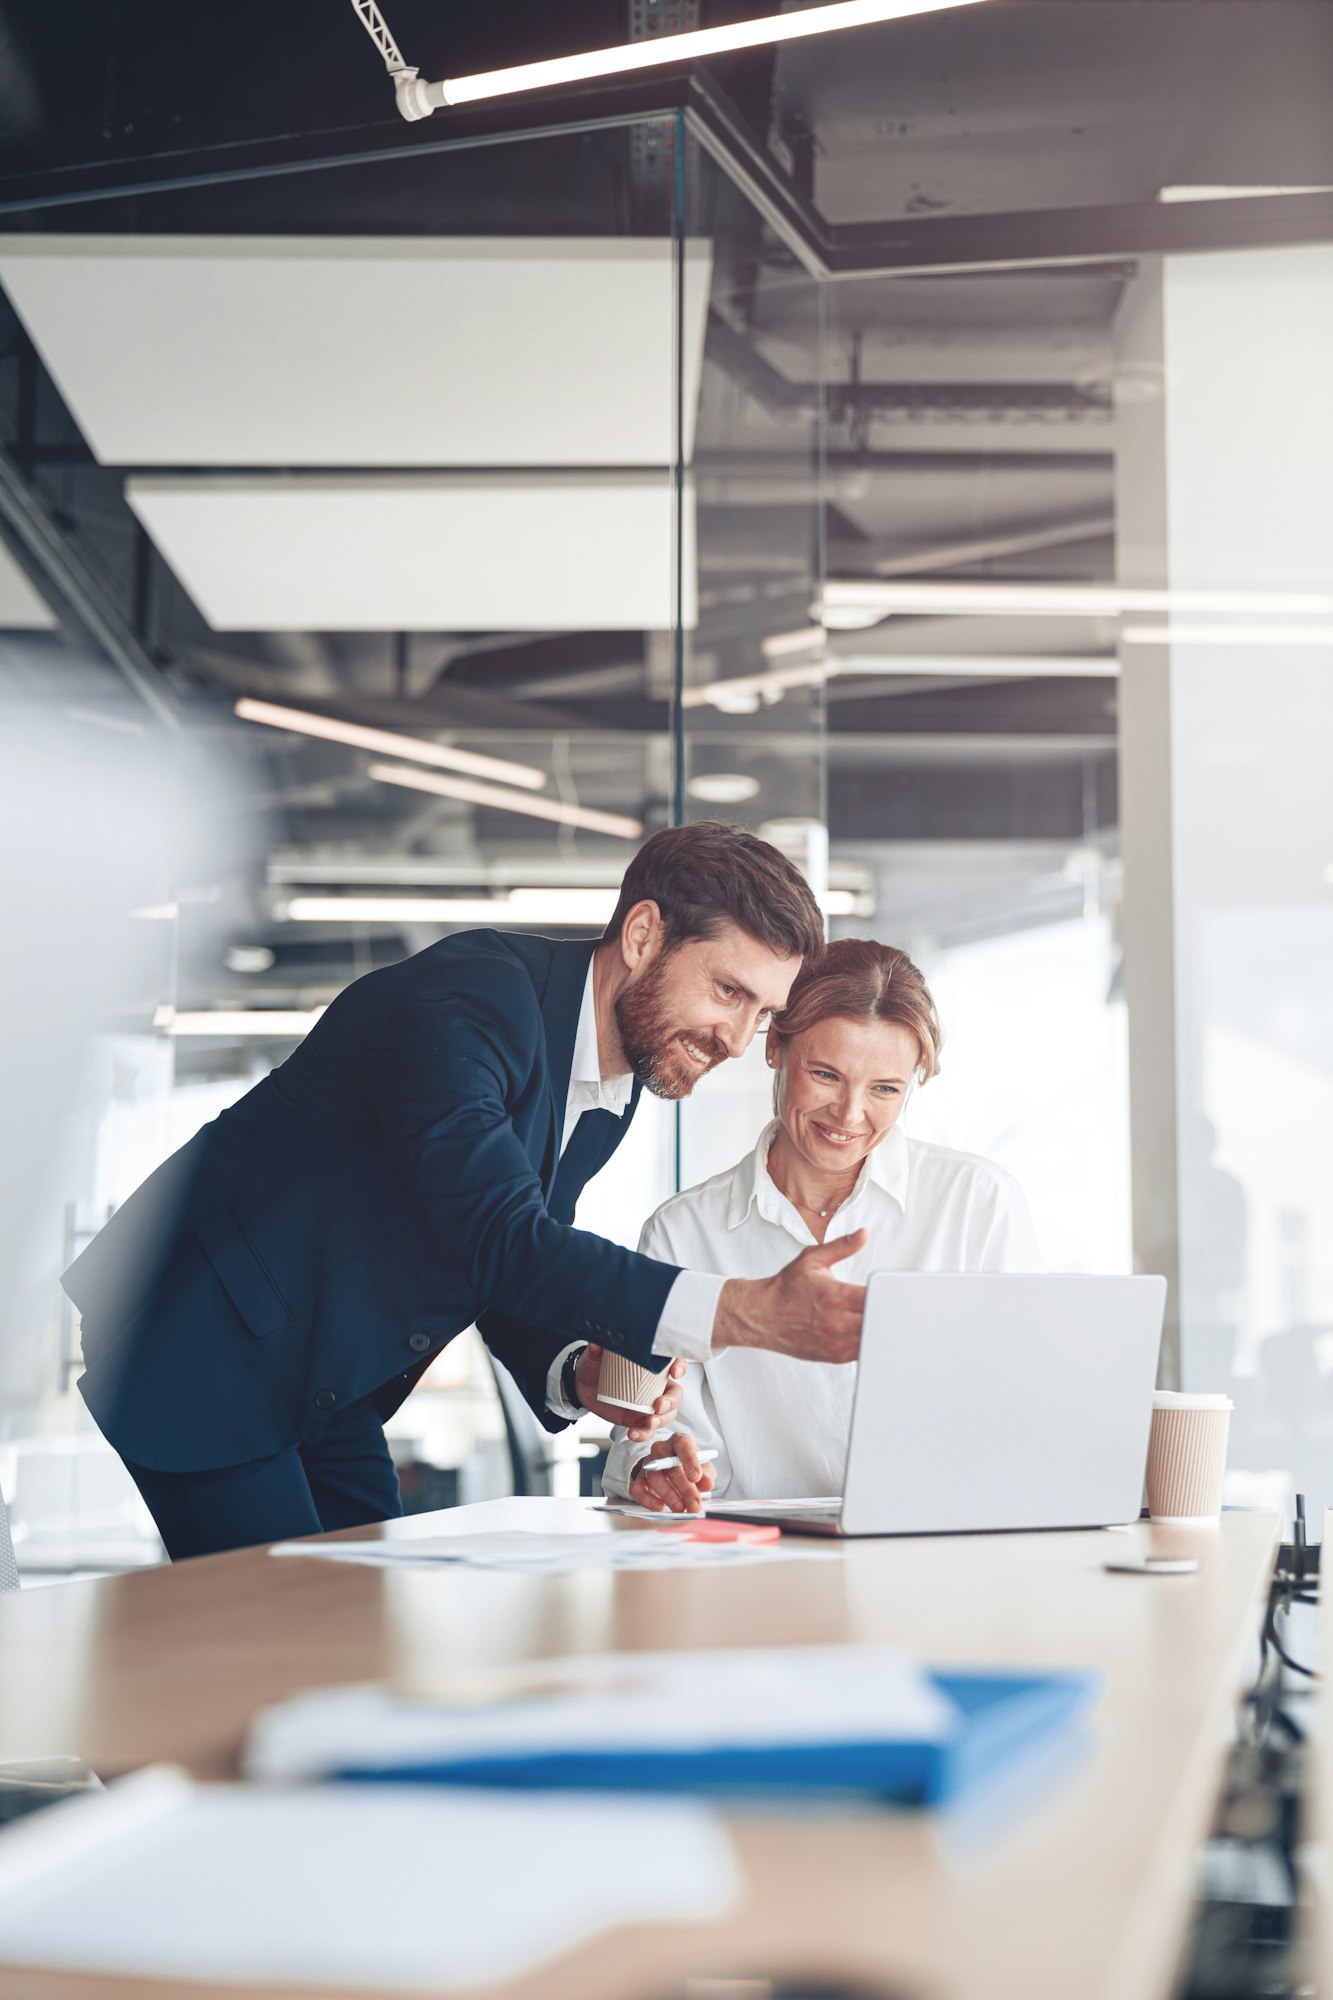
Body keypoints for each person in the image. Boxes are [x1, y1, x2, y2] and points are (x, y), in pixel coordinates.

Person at [63, 822, 868, 1561]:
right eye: (727, 991)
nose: (735, 1040)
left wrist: (571, 1369)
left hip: (325, 1372)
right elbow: (500, 1235)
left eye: (761, 1014)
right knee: (284, 1645)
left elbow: (490, 1258)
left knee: (359, 1630)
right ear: (642, 934)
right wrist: (743, 1309)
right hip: (203, 1343)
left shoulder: (609, 1087)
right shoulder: (468, 1003)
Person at [604, 938, 1042, 1514]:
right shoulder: (683, 1233)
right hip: (761, 1567)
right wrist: (660, 1465)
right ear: (776, 1050)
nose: (850, 1114)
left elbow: (1027, 1409)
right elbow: (658, 1435)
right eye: (826, 1075)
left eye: (886, 1089)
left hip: (941, 1551)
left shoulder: (976, 1204)